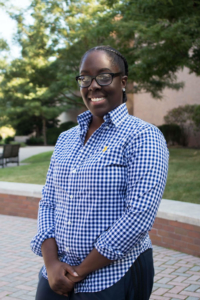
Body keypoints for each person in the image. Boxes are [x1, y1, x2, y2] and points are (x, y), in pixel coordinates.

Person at [31, 45, 169, 300]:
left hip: (113, 276)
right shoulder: (66, 139)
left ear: (123, 81)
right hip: (56, 274)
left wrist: (78, 273)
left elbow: (138, 215)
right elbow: (49, 201)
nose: (93, 85)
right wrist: (51, 265)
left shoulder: (143, 136)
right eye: (85, 77)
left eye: (104, 76)